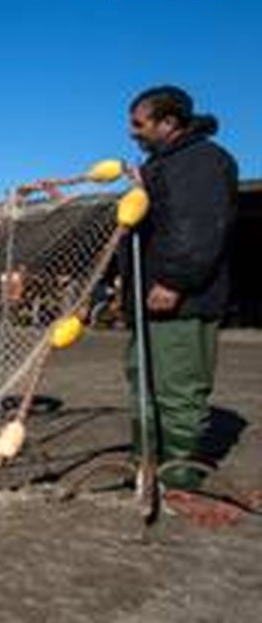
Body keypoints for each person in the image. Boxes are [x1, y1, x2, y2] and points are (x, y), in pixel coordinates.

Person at [120, 85, 238, 490]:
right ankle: (146, 463)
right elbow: (164, 217)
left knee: (177, 388)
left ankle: (180, 475)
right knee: (144, 380)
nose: (132, 132)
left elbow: (199, 227)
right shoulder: (167, 165)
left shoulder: (200, 162)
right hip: (150, 302)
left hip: (181, 302)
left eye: (139, 124)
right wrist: (143, 184)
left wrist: (174, 281)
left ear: (169, 123)